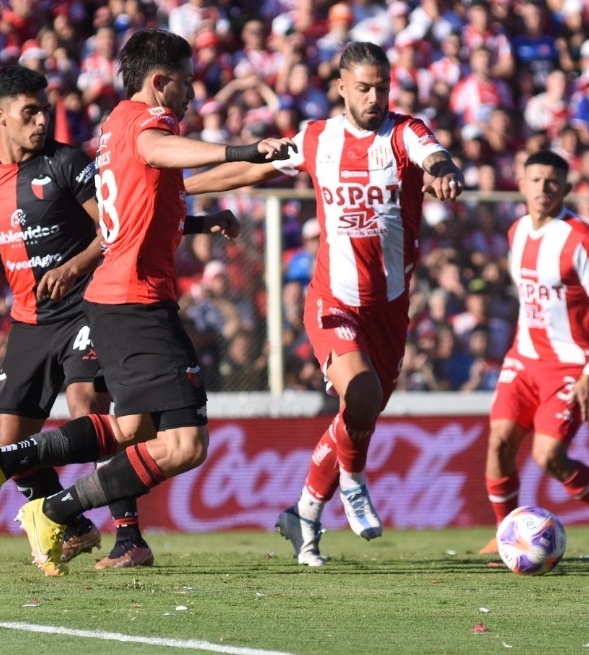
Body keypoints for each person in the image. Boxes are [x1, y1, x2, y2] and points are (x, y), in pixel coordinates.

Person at [0, 30, 294, 576]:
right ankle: (56, 509)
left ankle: (11, 462)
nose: (193, 95)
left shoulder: (113, 124)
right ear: (159, 83)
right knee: (185, 444)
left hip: (110, 300)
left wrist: (276, 160)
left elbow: (176, 186)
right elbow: (161, 152)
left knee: (129, 428)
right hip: (134, 299)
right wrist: (242, 149)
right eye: (185, 84)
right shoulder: (145, 126)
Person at [184, 41, 465, 566]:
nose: (375, 97)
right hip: (332, 301)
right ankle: (354, 482)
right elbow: (253, 170)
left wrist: (446, 171)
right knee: (359, 395)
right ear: (341, 87)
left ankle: (305, 514)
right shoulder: (317, 138)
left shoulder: (406, 132)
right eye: (364, 88)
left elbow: (436, 155)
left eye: (382, 87)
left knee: (357, 414)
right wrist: (179, 189)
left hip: (389, 308)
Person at [0, 65, 147, 570]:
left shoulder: (66, 164)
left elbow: (114, 227)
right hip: (30, 320)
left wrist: (77, 264)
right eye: (30, 112)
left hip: (88, 305)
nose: (42, 120)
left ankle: (130, 538)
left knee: (88, 405)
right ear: (0, 116)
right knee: (7, 444)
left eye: (45, 110)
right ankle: (77, 526)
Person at [479, 150, 589, 556]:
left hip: (570, 365)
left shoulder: (582, 240)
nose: (543, 187)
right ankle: (508, 536)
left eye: (552, 181)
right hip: (524, 358)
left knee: (548, 455)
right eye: (535, 179)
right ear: (520, 184)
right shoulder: (516, 232)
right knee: (498, 442)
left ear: (566, 189)